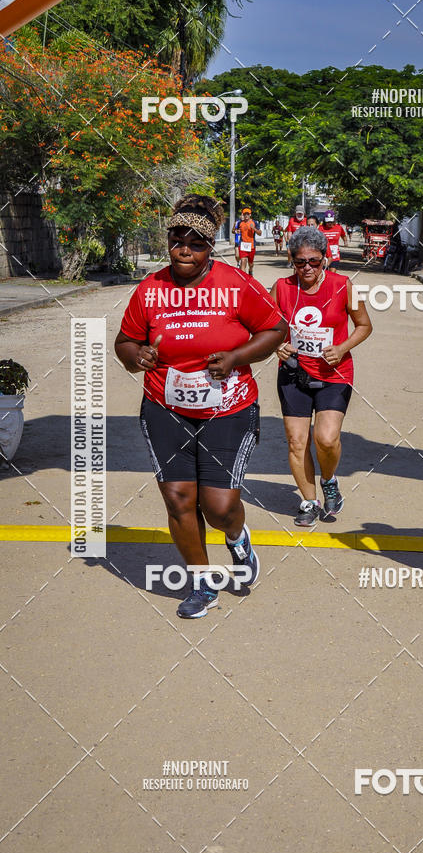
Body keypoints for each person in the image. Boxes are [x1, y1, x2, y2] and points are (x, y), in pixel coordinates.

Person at [115, 194, 287, 618]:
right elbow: (125, 342)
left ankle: (236, 537)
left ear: (210, 247)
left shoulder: (234, 283)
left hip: (227, 407)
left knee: (219, 507)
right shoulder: (150, 289)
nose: (185, 250)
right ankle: (201, 582)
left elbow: (275, 329)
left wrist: (235, 357)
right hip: (164, 407)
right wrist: (137, 357)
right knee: (178, 499)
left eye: (196, 243)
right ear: (168, 241)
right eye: (178, 240)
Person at [272, 225, 372, 526]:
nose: (307, 268)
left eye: (314, 261)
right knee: (296, 441)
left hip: (335, 372)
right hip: (294, 373)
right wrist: (278, 343)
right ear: (291, 259)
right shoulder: (281, 287)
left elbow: (364, 325)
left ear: (324, 259)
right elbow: (264, 327)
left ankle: (329, 480)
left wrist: (341, 348)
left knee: (326, 439)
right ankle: (309, 500)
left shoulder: (344, 286)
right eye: (300, 261)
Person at [237, 207, 261, 277]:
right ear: (243, 215)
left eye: (247, 214)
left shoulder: (254, 222)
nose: (246, 215)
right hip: (243, 245)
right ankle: (243, 278)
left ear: (250, 215)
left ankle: (250, 270)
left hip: (251, 246)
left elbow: (260, 233)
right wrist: (237, 231)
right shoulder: (240, 222)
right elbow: (235, 231)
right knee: (243, 261)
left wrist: (253, 228)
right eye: (245, 214)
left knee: (250, 264)